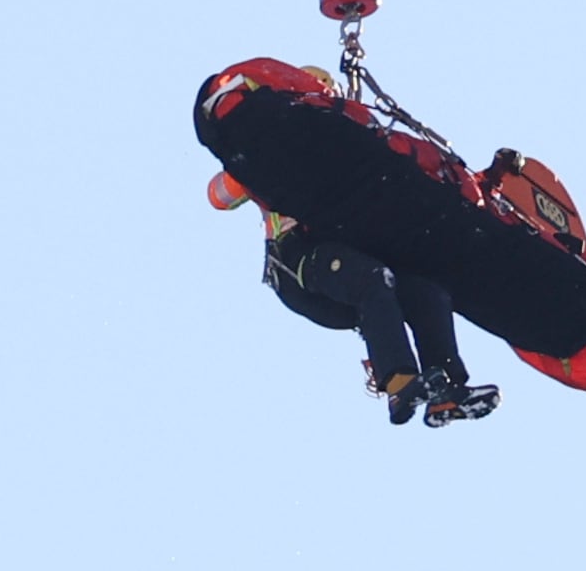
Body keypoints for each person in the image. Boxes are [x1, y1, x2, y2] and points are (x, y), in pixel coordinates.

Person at [207, 65, 501, 428]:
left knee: (426, 291)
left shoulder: (342, 152)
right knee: (373, 278)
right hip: (299, 260)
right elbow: (219, 195)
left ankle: (447, 389)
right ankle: (399, 383)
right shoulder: (273, 157)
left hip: (347, 264)